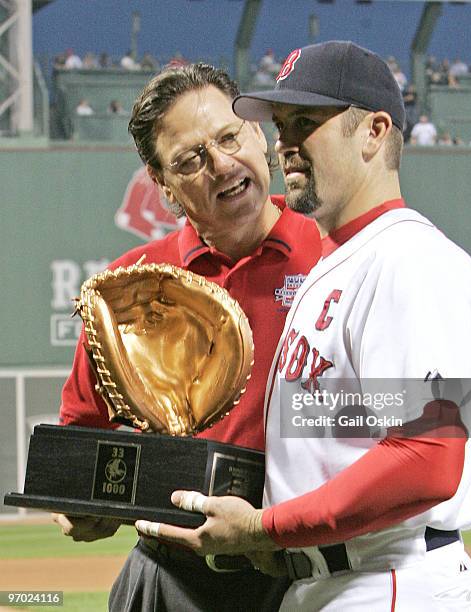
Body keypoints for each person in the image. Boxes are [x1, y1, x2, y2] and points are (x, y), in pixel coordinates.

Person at [138, 41, 471, 612]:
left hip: (393, 580)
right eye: (280, 124)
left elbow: (429, 458)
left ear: (375, 131)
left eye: (307, 121)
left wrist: (267, 526)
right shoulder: (336, 265)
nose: (285, 143)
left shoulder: (412, 258)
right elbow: (362, 431)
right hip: (324, 581)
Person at [53, 63, 321, 611]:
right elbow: (81, 438)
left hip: (302, 572)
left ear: (259, 134)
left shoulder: (335, 254)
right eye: (190, 160)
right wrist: (82, 501)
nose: (221, 165)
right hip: (167, 576)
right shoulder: (128, 289)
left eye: (229, 137)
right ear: (162, 185)